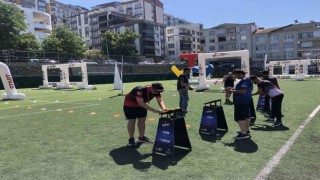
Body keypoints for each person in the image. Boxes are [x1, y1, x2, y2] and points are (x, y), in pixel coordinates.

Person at [123, 82, 167, 147]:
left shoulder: (156, 91)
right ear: (152, 88)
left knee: (142, 120)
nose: (158, 93)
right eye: (157, 91)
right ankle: (131, 139)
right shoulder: (139, 90)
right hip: (130, 106)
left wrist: (164, 108)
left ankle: (141, 138)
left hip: (141, 106)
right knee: (132, 121)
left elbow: (160, 100)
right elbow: (141, 103)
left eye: (159, 92)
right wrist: (155, 111)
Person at [226, 69, 253, 139]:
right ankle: (246, 131)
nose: (235, 77)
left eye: (235, 75)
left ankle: (243, 134)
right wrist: (232, 89)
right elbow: (241, 90)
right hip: (244, 101)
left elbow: (243, 91)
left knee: (240, 117)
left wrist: (231, 91)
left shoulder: (245, 80)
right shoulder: (244, 80)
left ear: (240, 74)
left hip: (241, 102)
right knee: (246, 116)